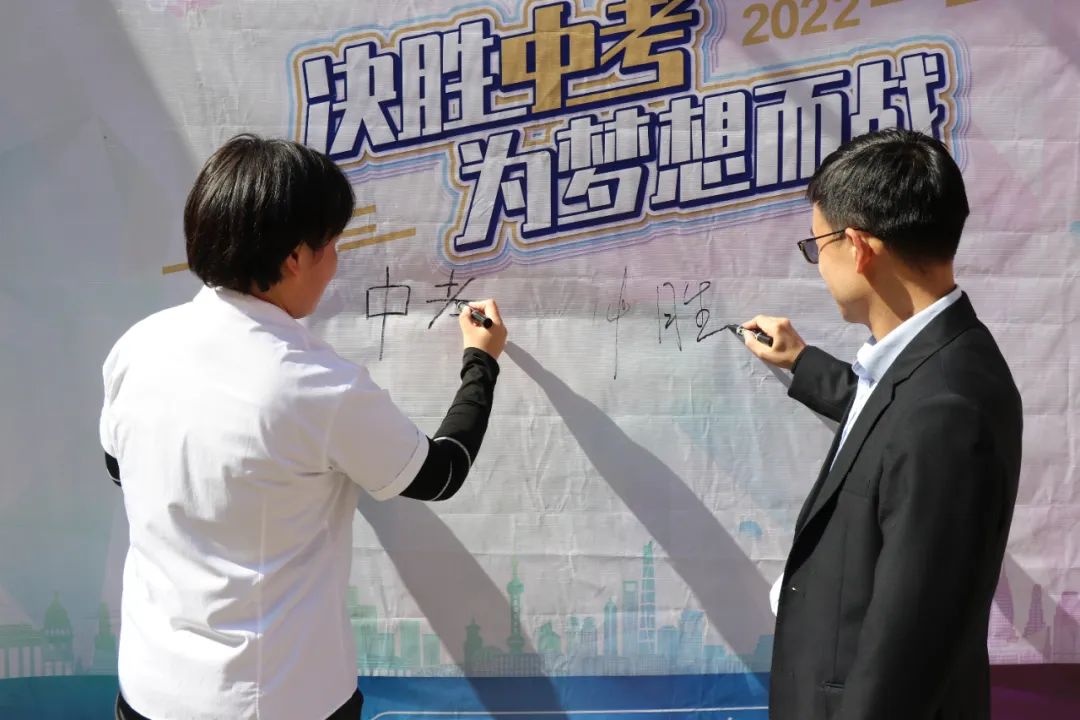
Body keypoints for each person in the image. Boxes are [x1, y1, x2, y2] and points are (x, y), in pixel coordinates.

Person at [99, 134, 507, 720]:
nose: (336, 264)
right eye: (332, 246)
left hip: (149, 691)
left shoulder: (137, 347)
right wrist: (480, 362)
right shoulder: (318, 385)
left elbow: (121, 469)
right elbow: (439, 474)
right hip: (275, 699)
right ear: (294, 258)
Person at [739, 129, 1022, 720]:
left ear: (858, 247)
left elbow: (907, 652)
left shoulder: (948, 410)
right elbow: (885, 424)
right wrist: (802, 362)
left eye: (817, 245)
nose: (819, 265)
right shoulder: (931, 364)